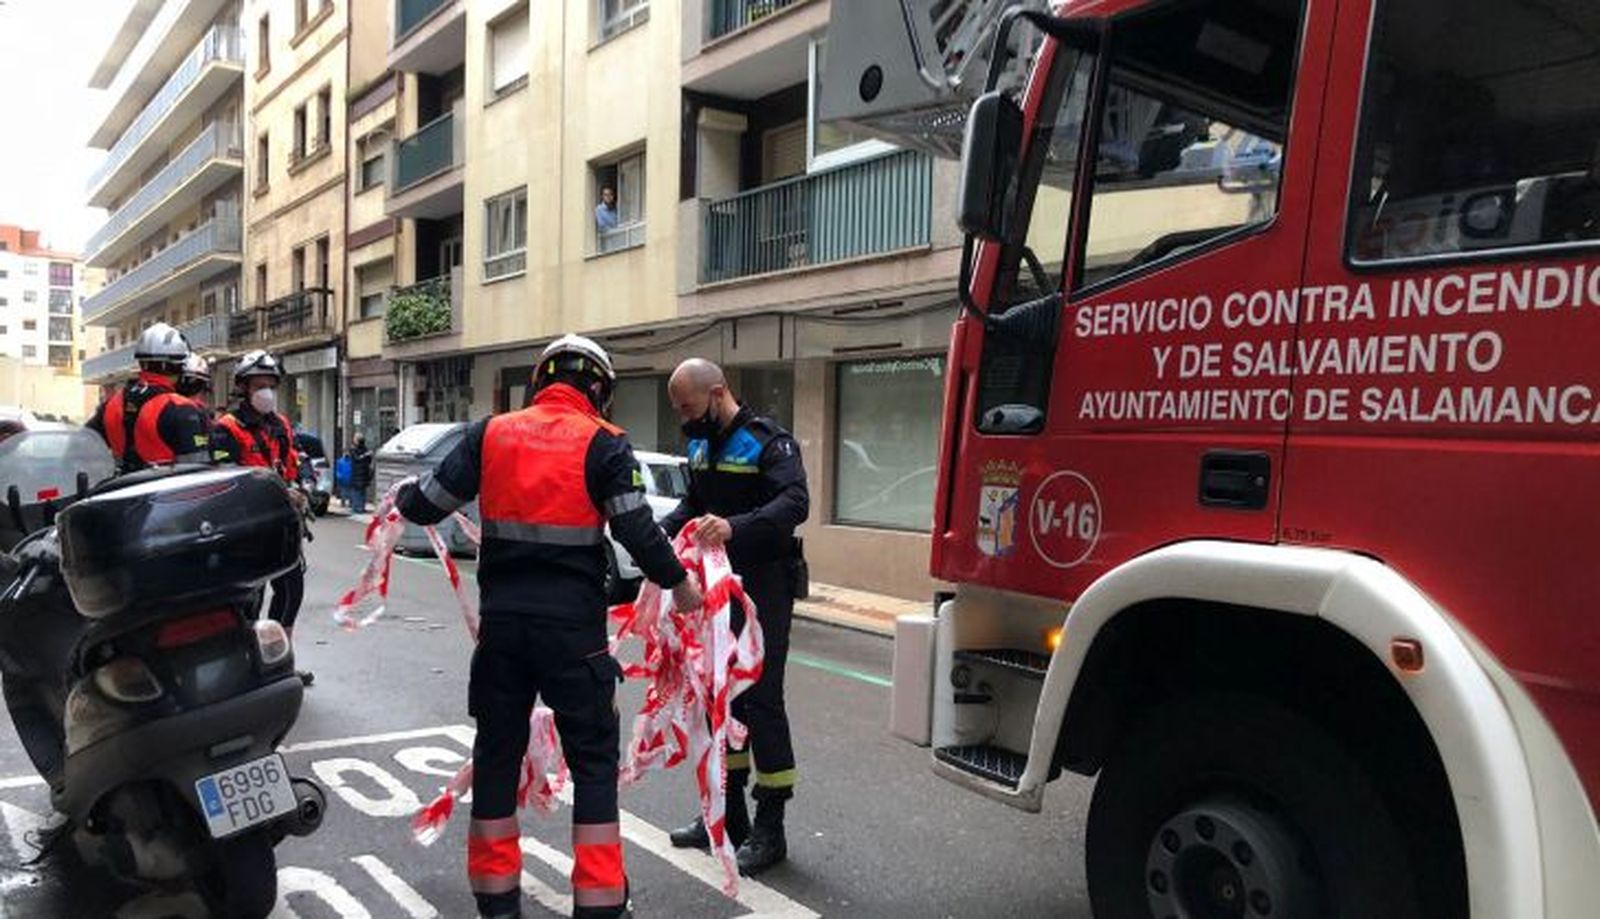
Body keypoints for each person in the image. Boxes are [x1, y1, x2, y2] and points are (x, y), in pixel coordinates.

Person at [396, 334, 703, 919]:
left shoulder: (491, 432)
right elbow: (637, 531)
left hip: (504, 631)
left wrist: (402, 497)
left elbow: (429, 502)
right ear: (600, 391)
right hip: (573, 635)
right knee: (591, 761)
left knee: (496, 755)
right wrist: (682, 587)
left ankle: (497, 900)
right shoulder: (606, 444)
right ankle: (599, 902)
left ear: (540, 381)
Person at [661, 358, 809, 876]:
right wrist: (661, 534)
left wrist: (734, 527)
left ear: (717, 392)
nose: (684, 417)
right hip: (716, 589)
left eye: (688, 406)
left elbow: (795, 502)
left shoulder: (770, 442)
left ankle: (772, 828)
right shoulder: (701, 444)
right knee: (717, 697)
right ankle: (726, 816)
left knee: (762, 699)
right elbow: (694, 504)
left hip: (765, 584)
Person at [212, 350, 313, 688]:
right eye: (259, 385)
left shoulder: (280, 425)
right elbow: (225, 480)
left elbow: (293, 463)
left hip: (282, 526)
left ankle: (279, 660)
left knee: (290, 591)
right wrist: (276, 491)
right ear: (243, 387)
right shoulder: (226, 429)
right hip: (245, 527)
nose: (266, 392)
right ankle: (246, 665)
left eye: (271, 385)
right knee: (248, 599)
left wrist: (302, 486)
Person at [86, 322, 212, 472]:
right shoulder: (181, 408)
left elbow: (84, 445)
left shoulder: (111, 404)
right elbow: (196, 470)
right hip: (163, 492)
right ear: (178, 365)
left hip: (119, 488)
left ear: (141, 362)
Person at [348, 433, 373, 515]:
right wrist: (366, 455)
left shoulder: (354, 449)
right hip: (361, 473)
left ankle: (358, 508)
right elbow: (366, 459)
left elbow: (357, 459)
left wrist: (365, 456)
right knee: (360, 491)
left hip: (358, 473)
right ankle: (359, 507)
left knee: (358, 491)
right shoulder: (363, 449)